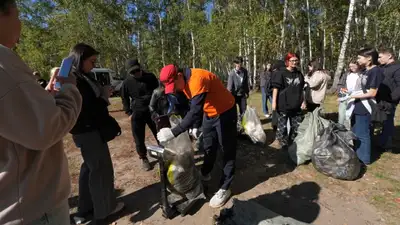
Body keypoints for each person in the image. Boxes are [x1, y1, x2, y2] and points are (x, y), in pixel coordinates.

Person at [0, 1, 82, 224]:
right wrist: (69, 88)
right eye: (17, 15)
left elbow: (18, 119)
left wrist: (43, 98)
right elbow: (47, 129)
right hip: (33, 207)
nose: (20, 23)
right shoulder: (3, 63)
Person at [156, 65, 237, 208]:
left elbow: (194, 110)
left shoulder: (197, 79)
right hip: (210, 113)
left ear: (179, 75)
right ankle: (205, 172)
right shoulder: (184, 83)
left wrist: (173, 132)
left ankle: (225, 187)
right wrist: (195, 126)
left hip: (225, 112)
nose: (174, 89)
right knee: (208, 145)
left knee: (227, 149)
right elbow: (196, 105)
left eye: (173, 85)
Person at [69, 43, 124, 224]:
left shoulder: (79, 77)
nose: (94, 65)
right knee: (100, 170)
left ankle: (84, 209)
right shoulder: (77, 80)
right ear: (80, 59)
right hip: (88, 130)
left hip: (84, 131)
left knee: (89, 169)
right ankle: (105, 210)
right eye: (91, 61)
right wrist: (104, 98)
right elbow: (88, 109)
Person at [121, 59, 159, 171]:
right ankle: (143, 158)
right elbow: (124, 98)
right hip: (137, 113)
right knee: (138, 138)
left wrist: (159, 108)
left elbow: (158, 92)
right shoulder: (127, 82)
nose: (136, 73)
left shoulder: (150, 77)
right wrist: (129, 112)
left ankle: (165, 153)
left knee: (159, 133)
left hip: (152, 111)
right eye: (133, 72)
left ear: (140, 67)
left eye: (137, 70)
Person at [349, 47, 384, 165]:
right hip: (358, 105)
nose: (357, 60)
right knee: (355, 130)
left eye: (359, 57)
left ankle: (364, 159)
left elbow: (372, 92)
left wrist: (353, 96)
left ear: (369, 58)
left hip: (366, 106)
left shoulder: (376, 71)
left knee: (362, 133)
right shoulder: (365, 71)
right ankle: (357, 154)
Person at [269, 53, 306, 149]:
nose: (294, 62)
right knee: (282, 126)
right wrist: (274, 103)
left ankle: (293, 144)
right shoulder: (281, 73)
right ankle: (279, 143)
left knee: (296, 127)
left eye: (296, 60)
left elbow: (302, 89)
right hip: (284, 104)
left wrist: (303, 101)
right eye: (292, 61)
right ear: (287, 62)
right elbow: (275, 88)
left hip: (296, 105)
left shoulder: (299, 74)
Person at [377, 48, 400, 152]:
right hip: (378, 99)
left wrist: (392, 99)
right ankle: (379, 141)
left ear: (389, 56)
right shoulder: (381, 68)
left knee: (387, 122)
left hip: (389, 101)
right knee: (378, 120)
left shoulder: (397, 68)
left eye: (380, 57)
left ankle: (387, 145)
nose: (378, 59)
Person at [337, 61, 362, 128]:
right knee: (342, 114)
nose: (351, 68)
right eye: (350, 66)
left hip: (357, 97)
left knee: (351, 115)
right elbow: (340, 84)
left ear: (358, 65)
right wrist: (340, 94)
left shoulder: (362, 74)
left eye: (353, 66)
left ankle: (351, 131)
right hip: (345, 96)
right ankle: (341, 128)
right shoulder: (347, 74)